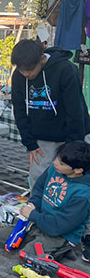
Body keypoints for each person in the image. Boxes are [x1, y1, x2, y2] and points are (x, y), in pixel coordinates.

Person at [11, 39, 90, 189]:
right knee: (40, 180)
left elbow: (75, 111)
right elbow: (19, 110)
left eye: (30, 70)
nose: (26, 74)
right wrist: (30, 144)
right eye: (22, 70)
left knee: (73, 182)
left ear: (42, 59)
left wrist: (73, 147)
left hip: (73, 135)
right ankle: (36, 211)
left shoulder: (66, 70)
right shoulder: (19, 75)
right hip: (42, 141)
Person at [0, 141, 90, 260]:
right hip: (39, 223)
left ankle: (60, 249)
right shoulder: (55, 169)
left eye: (61, 163)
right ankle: (41, 245)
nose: (55, 163)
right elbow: (39, 188)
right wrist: (33, 204)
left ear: (78, 170)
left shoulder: (82, 195)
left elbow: (59, 226)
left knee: (27, 256)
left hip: (59, 234)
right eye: (56, 158)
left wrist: (33, 215)